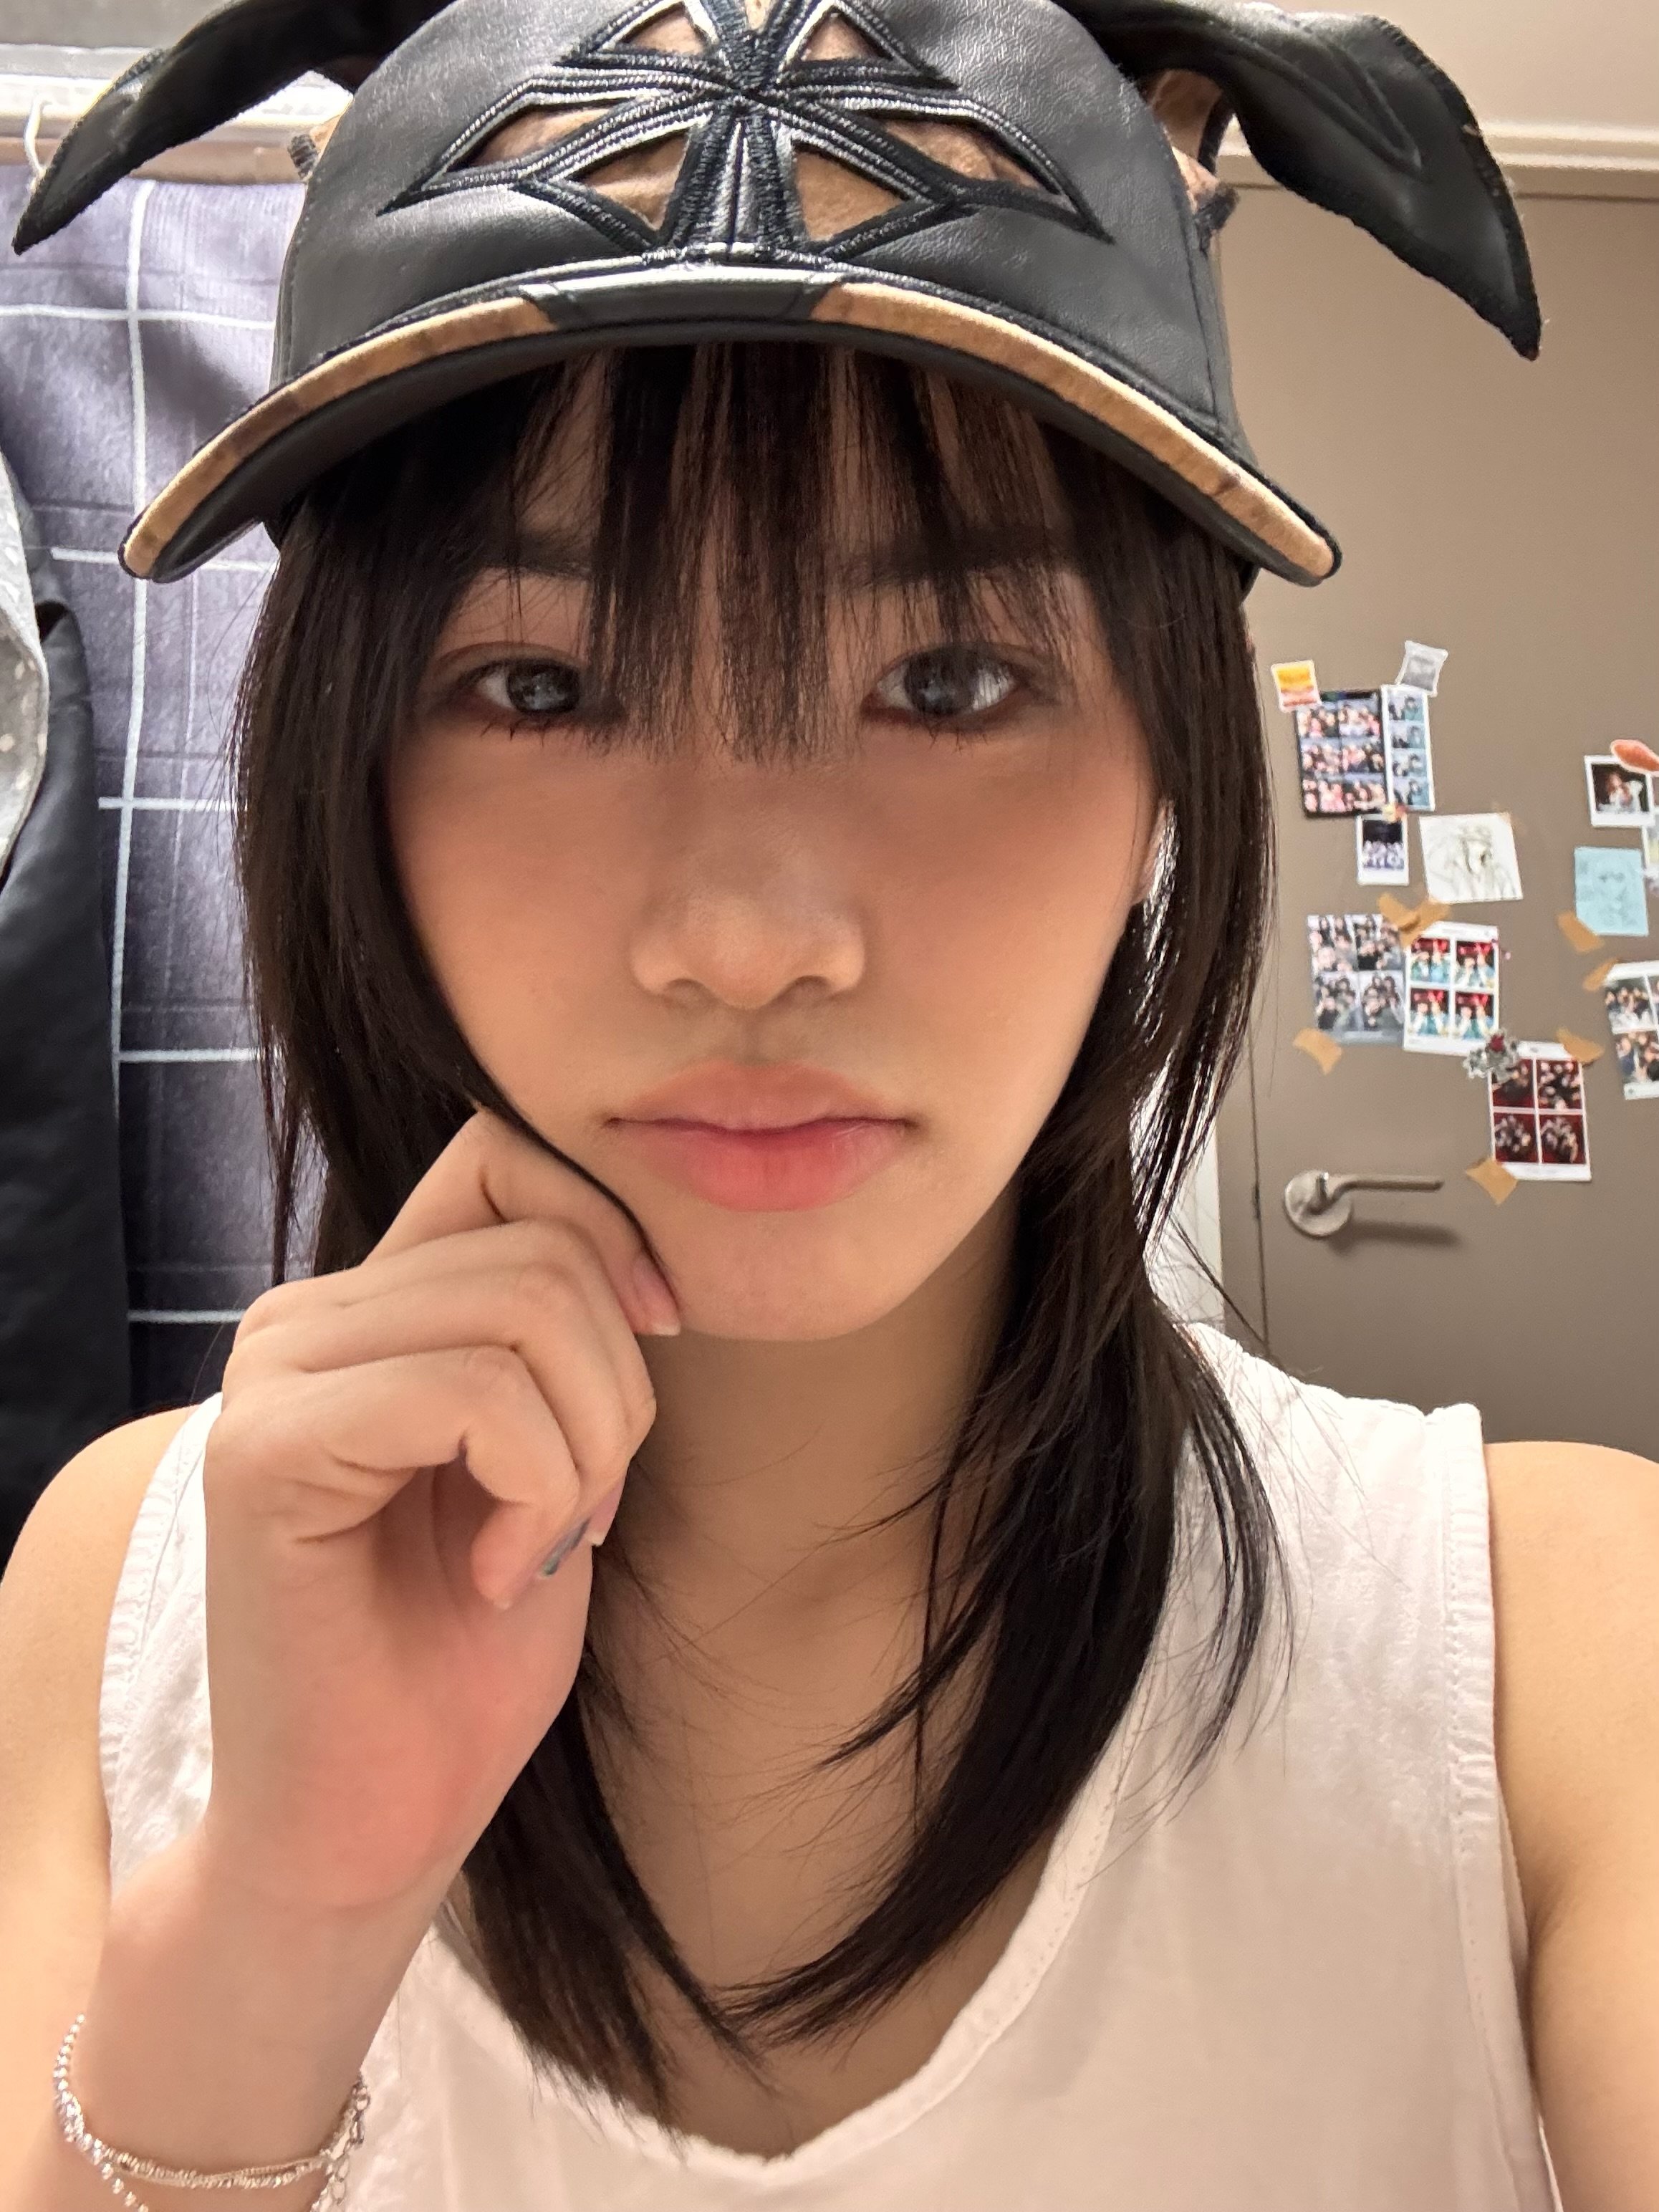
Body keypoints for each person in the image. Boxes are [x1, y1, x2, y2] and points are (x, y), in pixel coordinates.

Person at [1, 2, 1653, 2209]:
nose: (749, 936)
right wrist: (283, 1921)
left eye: (946, 681)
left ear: (1164, 765)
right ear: (344, 771)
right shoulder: (132, 1588)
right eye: (542, 684)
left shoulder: (1549, 1659)